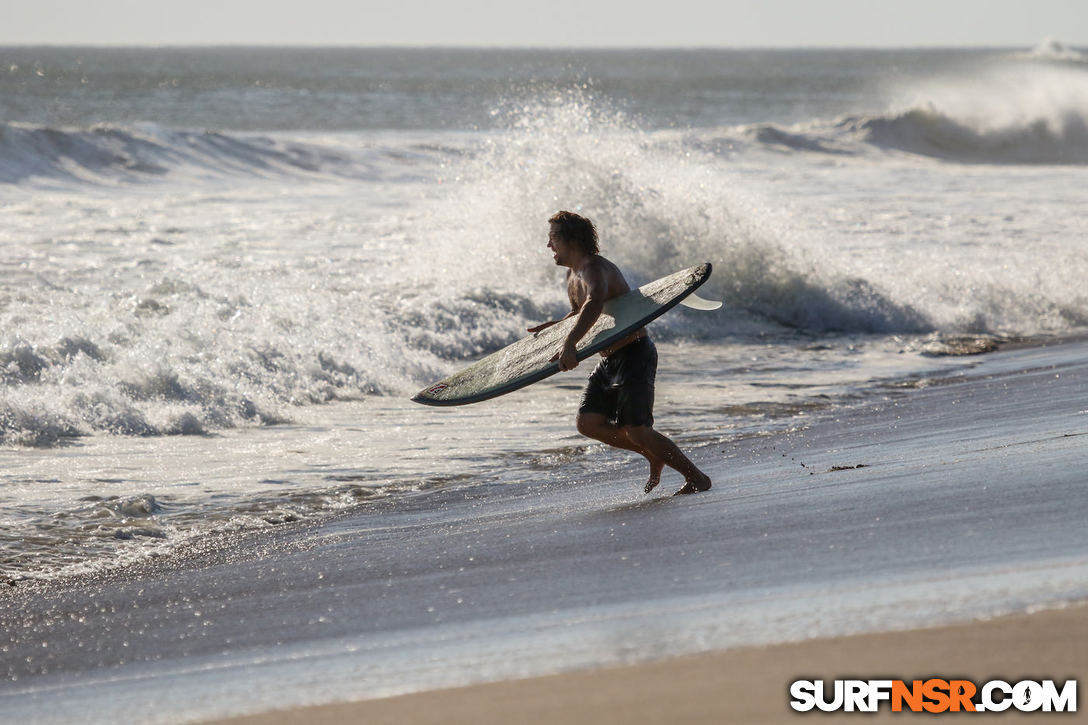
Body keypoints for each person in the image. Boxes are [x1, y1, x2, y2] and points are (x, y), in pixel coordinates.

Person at [528, 211, 712, 495]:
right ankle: (652, 454)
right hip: (609, 358)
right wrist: (557, 329)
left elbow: (595, 303)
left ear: (572, 240)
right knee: (588, 423)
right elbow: (579, 313)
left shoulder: (594, 268)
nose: (548, 245)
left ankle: (696, 477)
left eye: (553, 238)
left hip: (634, 352)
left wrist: (570, 344)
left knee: (637, 430)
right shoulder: (572, 274)